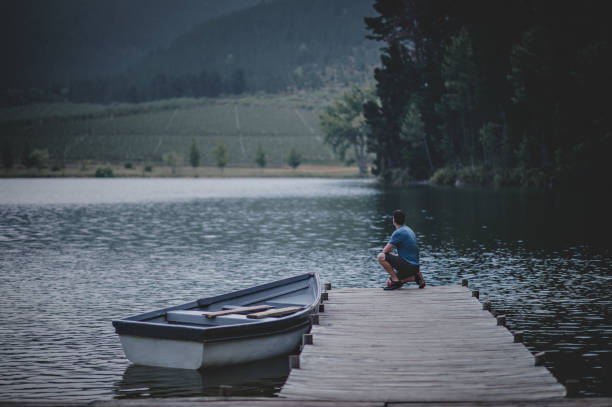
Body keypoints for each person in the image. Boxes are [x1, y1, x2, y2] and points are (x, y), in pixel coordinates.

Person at [377, 209, 425, 290]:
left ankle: (396, 281)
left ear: (394, 220)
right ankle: (416, 277)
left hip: (408, 265)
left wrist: (391, 256)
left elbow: (385, 251)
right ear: (404, 220)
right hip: (415, 266)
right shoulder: (409, 229)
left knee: (381, 256)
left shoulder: (398, 232)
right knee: (389, 283)